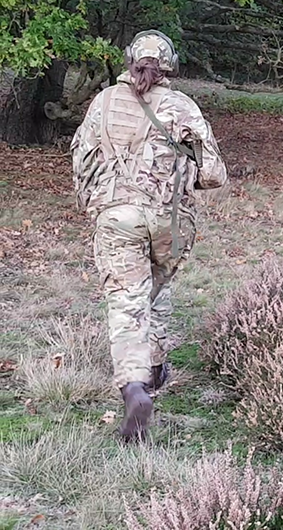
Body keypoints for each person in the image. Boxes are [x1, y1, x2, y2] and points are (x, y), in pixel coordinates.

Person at [71, 30, 228, 442]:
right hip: (171, 223)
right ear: (169, 65)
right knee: (153, 294)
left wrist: (96, 202)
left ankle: (135, 387)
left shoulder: (102, 103)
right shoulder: (182, 107)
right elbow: (213, 173)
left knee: (127, 301)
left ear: (129, 61)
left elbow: (80, 160)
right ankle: (156, 368)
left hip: (117, 218)